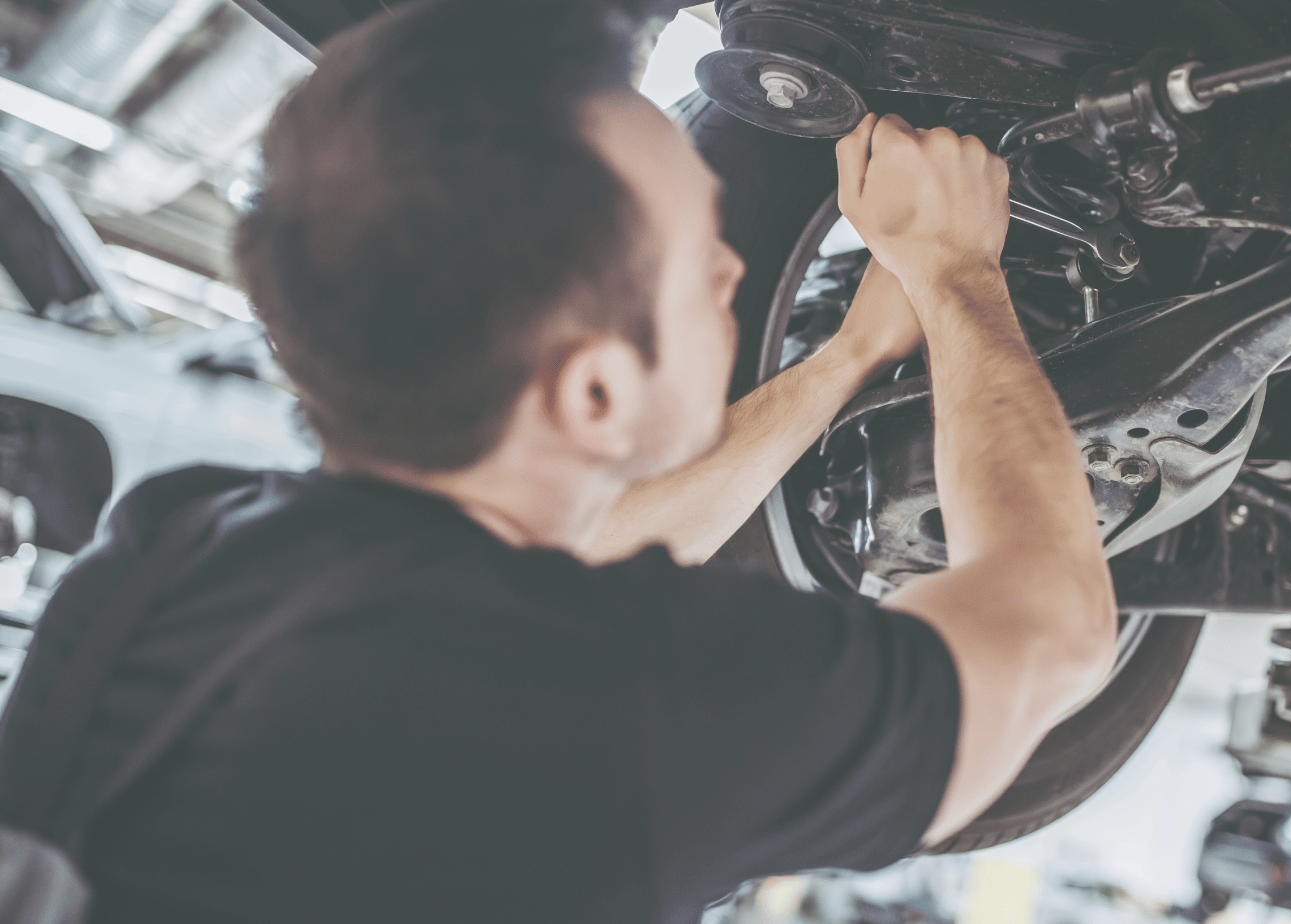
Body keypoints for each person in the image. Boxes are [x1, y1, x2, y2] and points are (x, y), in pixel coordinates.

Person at [0, 0, 1116, 920]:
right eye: (700, 266)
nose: (736, 274)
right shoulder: (635, 710)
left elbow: (576, 566)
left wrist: (852, 353)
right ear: (590, 389)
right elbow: (1049, 635)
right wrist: (959, 273)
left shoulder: (181, 553)